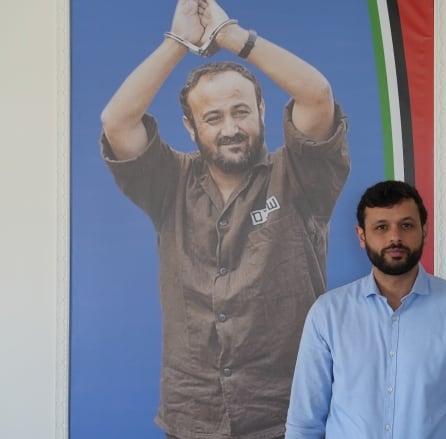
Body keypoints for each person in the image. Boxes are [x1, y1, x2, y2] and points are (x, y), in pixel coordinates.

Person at [99, 0, 349, 437]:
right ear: (191, 128)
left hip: (289, 415)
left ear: (262, 112)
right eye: (212, 118)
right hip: (192, 416)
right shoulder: (168, 183)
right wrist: (178, 43)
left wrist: (229, 34)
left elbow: (317, 95)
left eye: (240, 111)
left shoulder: (301, 177)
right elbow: (117, 121)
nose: (230, 127)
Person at [285, 180, 446, 438]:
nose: (395, 237)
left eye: (406, 225)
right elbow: (304, 423)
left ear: (424, 230)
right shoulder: (328, 314)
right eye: (381, 227)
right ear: (362, 236)